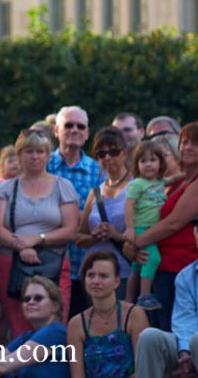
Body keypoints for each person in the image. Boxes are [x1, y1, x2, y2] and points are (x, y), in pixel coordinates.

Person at [125, 124, 198, 333]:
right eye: (185, 142)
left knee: (170, 333)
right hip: (160, 265)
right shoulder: (181, 182)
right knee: (155, 331)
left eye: (196, 143)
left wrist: (134, 243)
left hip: (179, 267)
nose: (187, 147)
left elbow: (173, 223)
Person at [0, 131, 82, 338]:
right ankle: (20, 369)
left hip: (53, 262)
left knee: (53, 328)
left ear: (48, 155)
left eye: (40, 151)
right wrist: (22, 246)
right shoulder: (6, 187)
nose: (35, 156)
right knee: (19, 327)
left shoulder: (62, 186)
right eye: (29, 151)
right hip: (12, 262)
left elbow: (71, 229)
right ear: (20, 154)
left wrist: (38, 239)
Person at [133, 210, 198, 378]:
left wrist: (196, 350)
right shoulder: (185, 276)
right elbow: (183, 319)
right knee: (150, 337)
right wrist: (185, 351)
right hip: (195, 344)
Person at [50, 107, 104, 318]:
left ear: (87, 132)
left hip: (87, 265)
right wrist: (81, 214)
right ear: (56, 130)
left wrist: (64, 214)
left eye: (80, 126)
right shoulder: (43, 165)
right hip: (50, 263)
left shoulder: (98, 169)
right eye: (68, 125)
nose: (74, 130)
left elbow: (102, 214)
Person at [67, 252, 147, 378]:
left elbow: (143, 369)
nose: (96, 281)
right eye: (91, 275)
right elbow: (77, 375)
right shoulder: (76, 324)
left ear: (117, 281)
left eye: (103, 276)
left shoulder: (134, 314)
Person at [77, 129, 132, 308]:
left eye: (113, 152)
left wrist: (117, 235)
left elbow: (145, 232)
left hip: (123, 271)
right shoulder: (95, 193)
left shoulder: (136, 187)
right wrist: (95, 236)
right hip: (93, 272)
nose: (108, 158)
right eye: (101, 154)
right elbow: (80, 238)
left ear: (125, 153)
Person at [125, 141, 170, 311]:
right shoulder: (137, 184)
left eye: (153, 160)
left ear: (160, 163)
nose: (148, 164)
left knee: (137, 267)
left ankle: (129, 299)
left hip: (152, 229)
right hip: (142, 229)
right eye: (143, 161)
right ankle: (144, 296)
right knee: (152, 259)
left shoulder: (159, 182)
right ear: (136, 165)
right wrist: (130, 228)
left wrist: (182, 175)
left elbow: (170, 180)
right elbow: (129, 205)